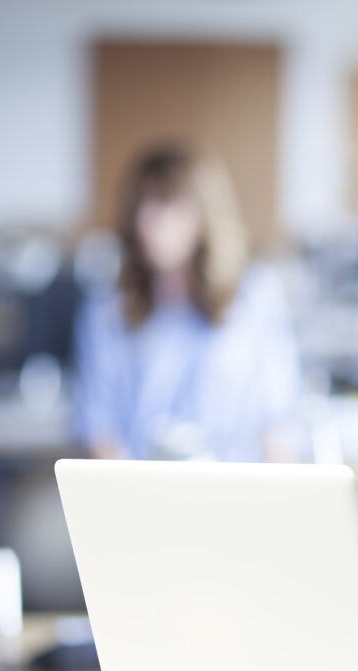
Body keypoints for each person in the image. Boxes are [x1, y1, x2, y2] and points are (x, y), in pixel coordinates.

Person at [72, 143, 301, 462]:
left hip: (236, 496)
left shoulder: (255, 296)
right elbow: (98, 425)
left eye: (166, 202)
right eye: (140, 205)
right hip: (143, 497)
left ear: (204, 212)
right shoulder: (106, 310)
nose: (147, 221)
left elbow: (278, 419)